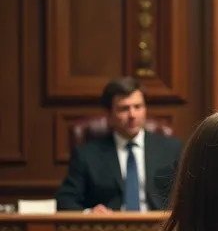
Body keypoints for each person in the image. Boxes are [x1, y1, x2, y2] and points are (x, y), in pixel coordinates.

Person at [55, 77, 183, 213]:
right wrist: (90, 213)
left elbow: (189, 194)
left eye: (138, 107)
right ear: (109, 114)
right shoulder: (87, 154)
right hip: (108, 229)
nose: (132, 114)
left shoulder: (171, 149)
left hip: (158, 227)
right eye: (124, 109)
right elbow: (65, 200)